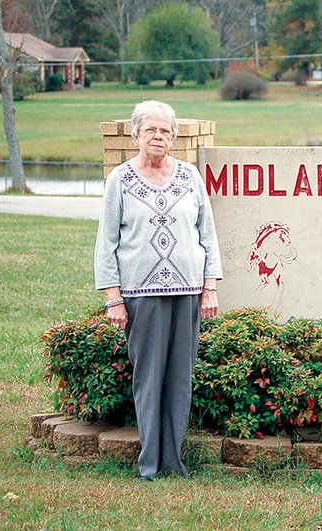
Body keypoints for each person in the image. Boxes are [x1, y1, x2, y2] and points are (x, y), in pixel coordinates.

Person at [94, 100, 222, 481]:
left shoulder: (189, 176)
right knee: (148, 378)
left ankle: (174, 461)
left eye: (165, 130)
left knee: (180, 378)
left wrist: (209, 286)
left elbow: (207, 235)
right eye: (150, 130)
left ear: (174, 137)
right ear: (135, 135)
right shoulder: (120, 179)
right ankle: (149, 464)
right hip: (141, 293)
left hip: (187, 292)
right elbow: (107, 243)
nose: (157, 136)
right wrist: (113, 298)